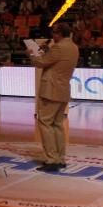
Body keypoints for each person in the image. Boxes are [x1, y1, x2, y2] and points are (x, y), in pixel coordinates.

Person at [27, 23, 78, 172]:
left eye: (55, 33)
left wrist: (31, 53)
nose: (53, 36)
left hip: (51, 89)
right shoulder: (74, 47)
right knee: (57, 125)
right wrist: (47, 50)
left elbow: (40, 62)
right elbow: (57, 60)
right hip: (63, 89)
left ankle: (51, 159)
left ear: (60, 33)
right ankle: (60, 158)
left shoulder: (59, 47)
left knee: (45, 122)